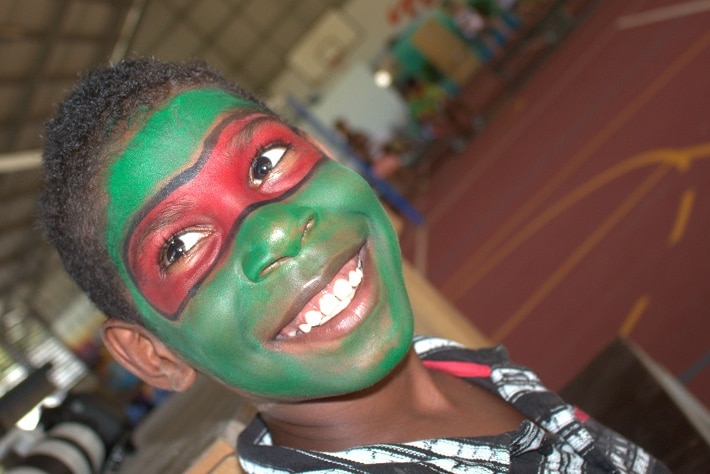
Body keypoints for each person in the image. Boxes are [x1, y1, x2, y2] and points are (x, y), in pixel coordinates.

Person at [39, 57, 668, 473]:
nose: (275, 228)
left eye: (265, 163)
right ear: (155, 356)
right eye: (178, 246)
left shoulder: (453, 363)